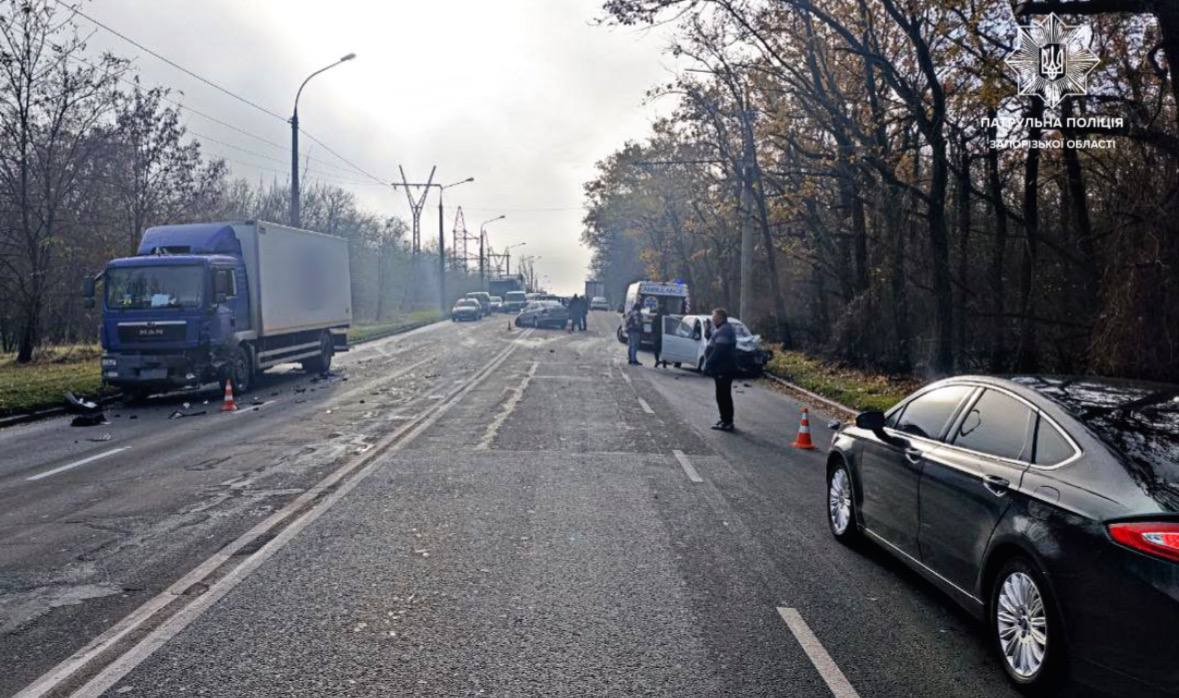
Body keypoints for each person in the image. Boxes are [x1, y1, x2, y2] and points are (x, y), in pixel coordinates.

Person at [702, 307, 737, 431]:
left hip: (724, 367)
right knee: (720, 395)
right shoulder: (720, 329)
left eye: (714, 317)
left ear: (720, 318)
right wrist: (707, 331)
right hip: (721, 367)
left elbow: (719, 350)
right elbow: (711, 340)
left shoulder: (725, 330)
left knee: (723, 395)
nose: (713, 319)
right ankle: (724, 419)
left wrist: (709, 364)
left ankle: (728, 421)